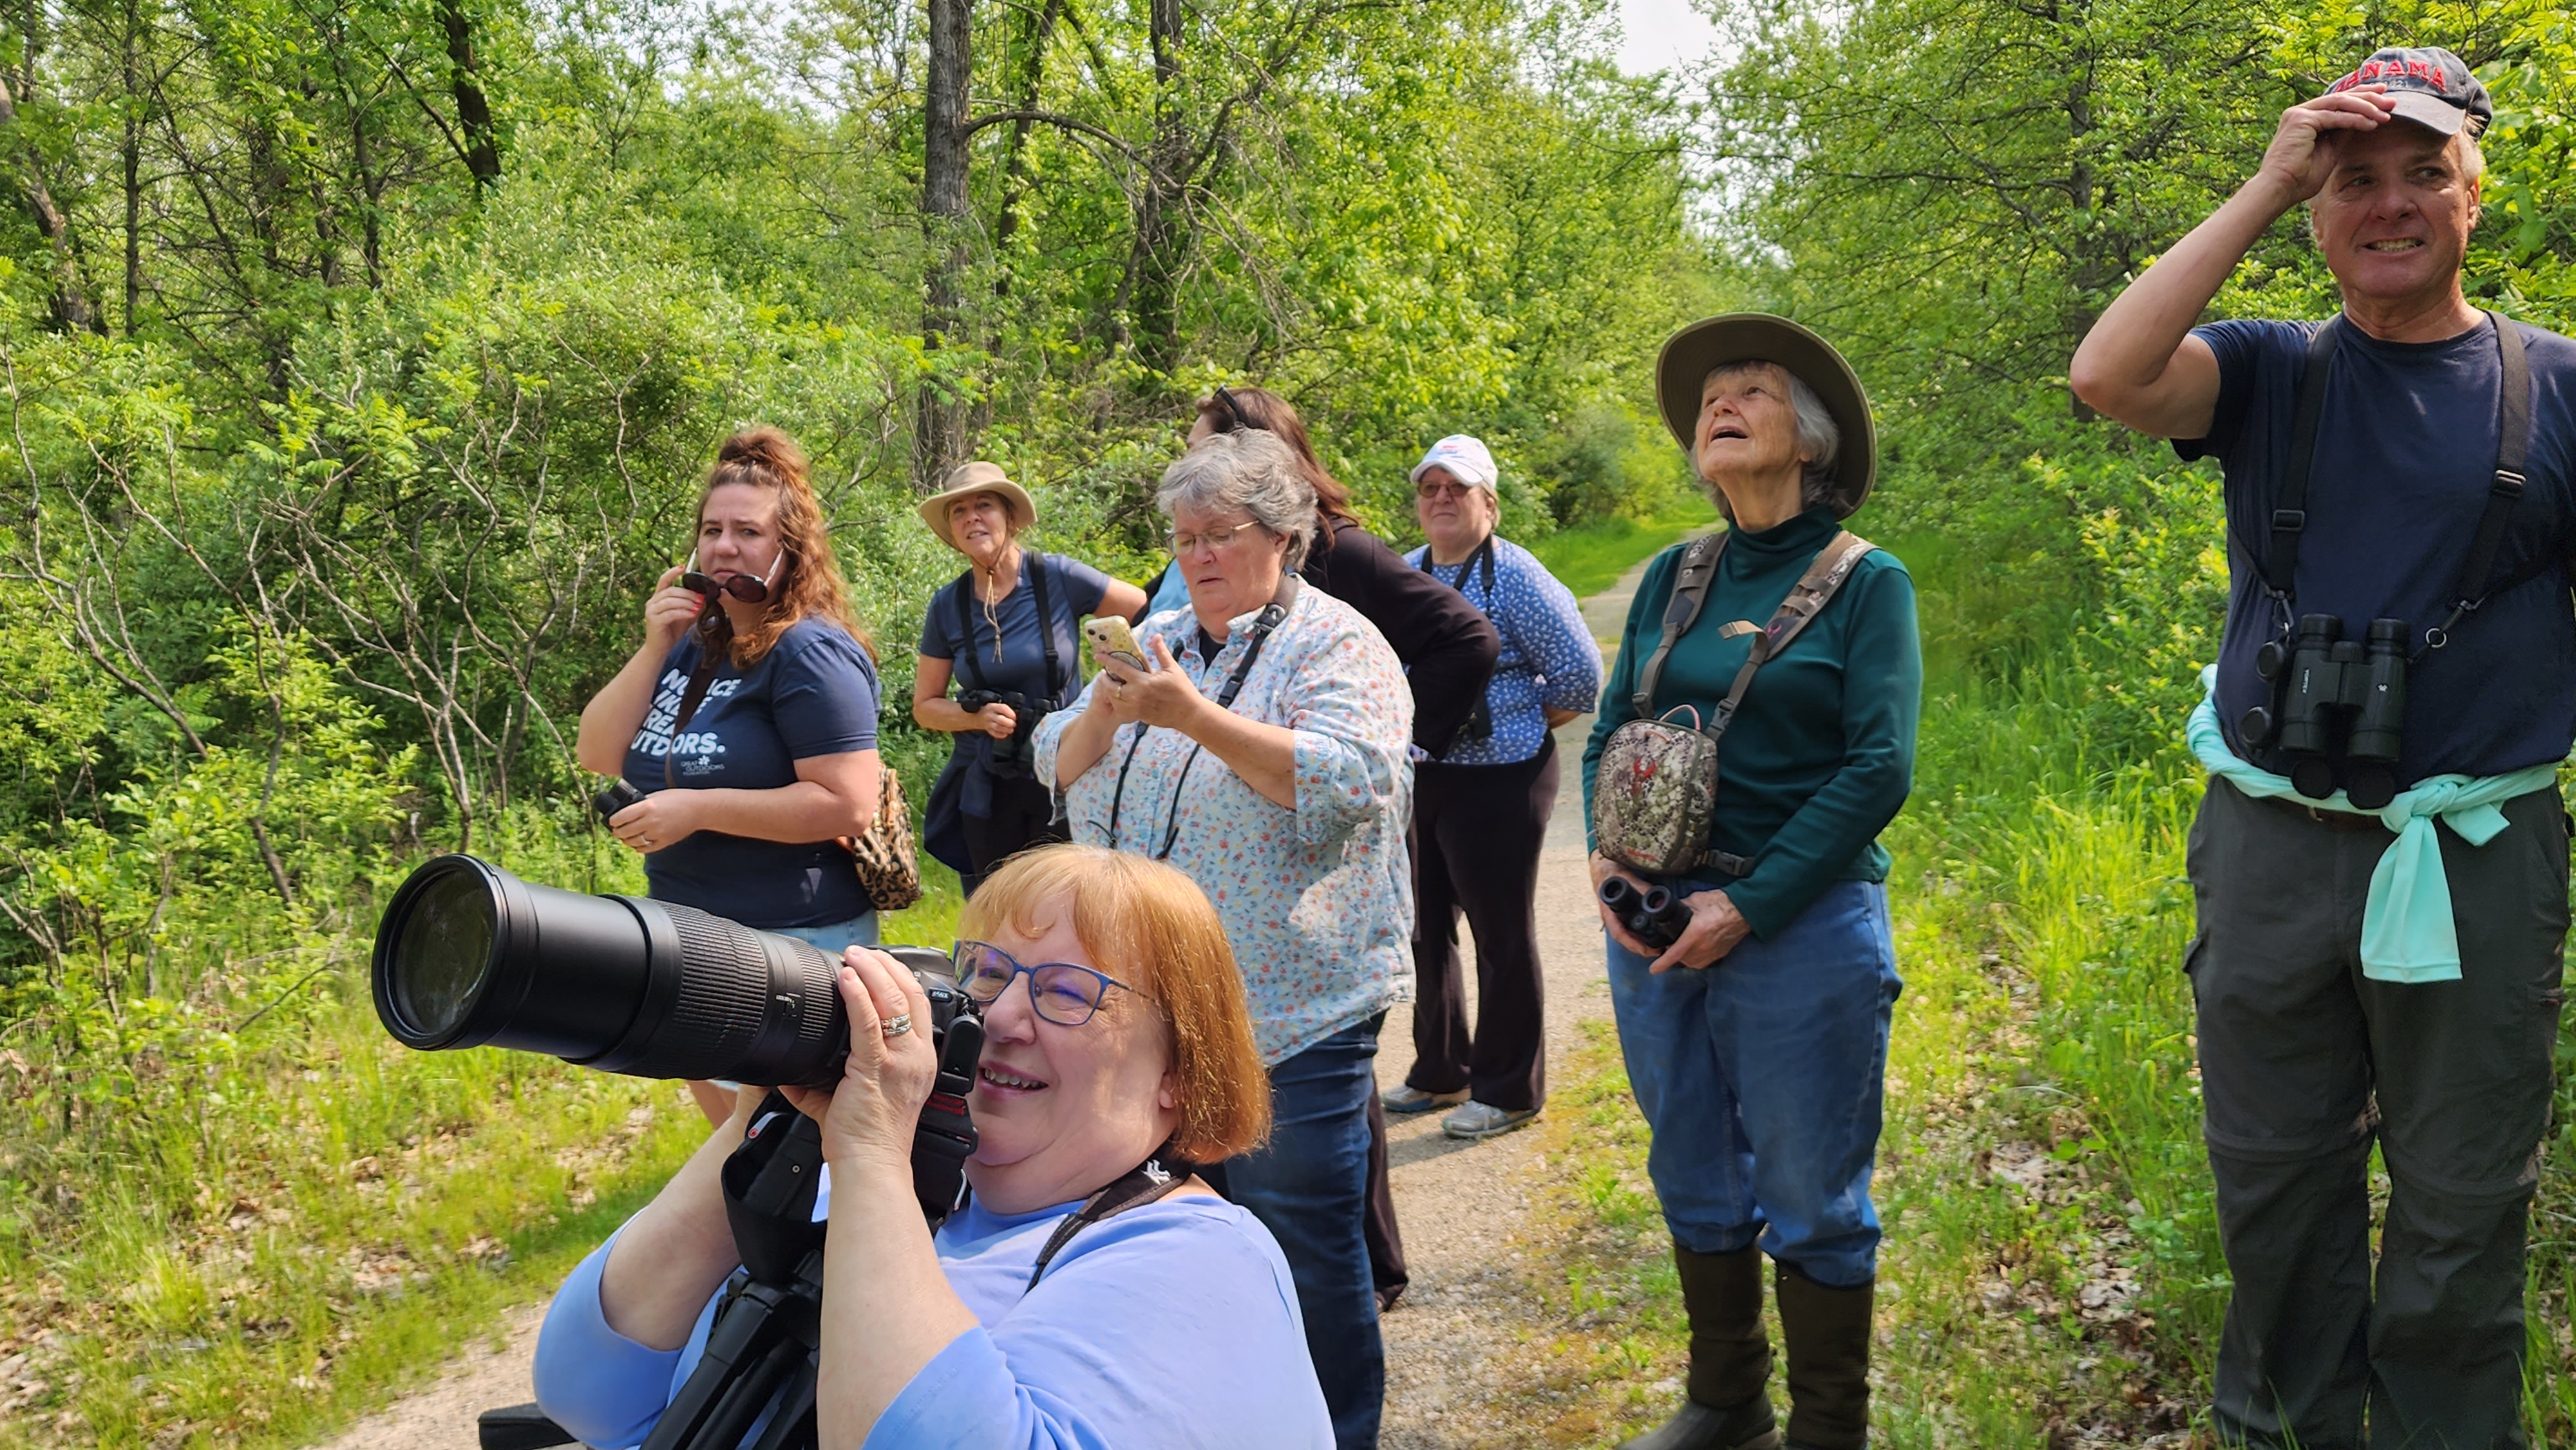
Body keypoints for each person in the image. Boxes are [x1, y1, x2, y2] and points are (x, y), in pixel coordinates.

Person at [2068, 49, 2575, 1450]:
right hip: (2271, 844)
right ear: (2312, 209)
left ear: (2474, 201)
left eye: (2425, 173)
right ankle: (2285, 1427)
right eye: (2354, 180)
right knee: (2273, 1180)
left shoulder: (2555, 388)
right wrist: (2268, 170)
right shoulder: (2270, 368)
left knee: (2462, 1193)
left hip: (2475, 851)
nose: (2390, 203)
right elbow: (2105, 375)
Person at [528, 845, 1331, 1449]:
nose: (1003, 1017)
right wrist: (768, 1106)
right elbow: (591, 1390)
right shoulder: (884, 1202)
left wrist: (874, 1153)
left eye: (1065, 992)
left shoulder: (1198, 1262)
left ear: (1180, 1077)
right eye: (983, 973)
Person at [1035, 429, 1414, 1450]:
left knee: (1304, 1248)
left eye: (1220, 535)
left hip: (1290, 1008)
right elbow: (1056, 761)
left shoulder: (1338, 644)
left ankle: (1339, 1432)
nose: (1197, 555)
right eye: (1183, 535)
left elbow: (1351, 784)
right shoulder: (1156, 631)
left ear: (1285, 537)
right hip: (1154, 1009)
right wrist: (1109, 716)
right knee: (1184, 1240)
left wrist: (1193, 717)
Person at [1586, 315, 1919, 1450]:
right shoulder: (1678, 572)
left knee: (1812, 1191)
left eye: (1753, 392)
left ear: (1811, 441)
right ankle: (1728, 1403)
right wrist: (1601, 848)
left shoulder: (1869, 584)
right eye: (1710, 397)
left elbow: (1882, 766)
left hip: (1802, 926)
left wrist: (1752, 903)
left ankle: (1830, 1428)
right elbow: (1612, 718)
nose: (1719, 405)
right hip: (1655, 922)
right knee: (1688, 1159)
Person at [1162, 382, 1502, 1308]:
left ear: (1274, 506)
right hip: (1213, 949)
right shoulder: (1191, 589)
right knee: (1279, 1173)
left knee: (1312, 1160)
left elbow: (1466, 638)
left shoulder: (1340, 561)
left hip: (1314, 926)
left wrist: (1402, 747)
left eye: (1218, 457)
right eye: (1186, 534)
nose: (1198, 541)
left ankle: (1367, 1282)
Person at [576, 426, 886, 956]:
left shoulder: (810, 652)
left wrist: (697, 810)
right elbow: (597, 753)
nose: (724, 546)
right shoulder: (696, 644)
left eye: (748, 532)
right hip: (686, 928)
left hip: (794, 938)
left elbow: (849, 805)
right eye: (711, 529)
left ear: (789, 548)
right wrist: (655, 649)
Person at [1387, 434, 1601, 1140]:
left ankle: (1509, 1088)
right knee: (1425, 927)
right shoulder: (1405, 572)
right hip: (1424, 773)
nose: (1441, 499)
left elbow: (1579, 677)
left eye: (1457, 488)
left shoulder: (1518, 577)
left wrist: (1514, 725)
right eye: (1429, 488)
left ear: (1490, 504)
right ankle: (1441, 1067)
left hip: (1504, 779)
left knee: (1500, 932)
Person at [912, 460, 1148, 894]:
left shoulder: (1057, 577)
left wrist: (1112, 688)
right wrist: (977, 719)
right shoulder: (947, 605)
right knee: (995, 911)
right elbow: (926, 707)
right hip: (989, 784)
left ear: (1011, 518)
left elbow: (1146, 610)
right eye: (959, 511)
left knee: (1071, 907)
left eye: (984, 505)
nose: (972, 518)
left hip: (1067, 773)